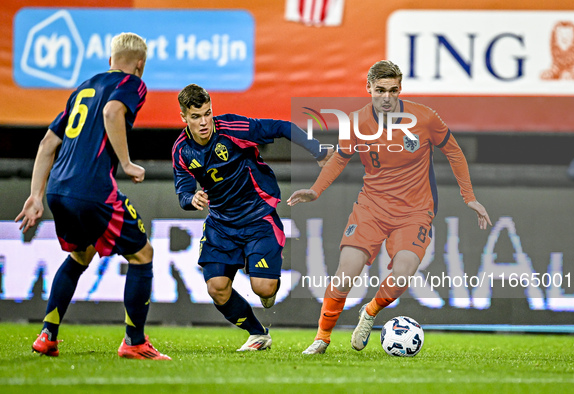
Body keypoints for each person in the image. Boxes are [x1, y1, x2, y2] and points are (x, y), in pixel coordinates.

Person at [287, 60, 492, 354]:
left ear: (400, 89)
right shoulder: (356, 122)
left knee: (403, 274)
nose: (386, 97)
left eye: (393, 90)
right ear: (368, 88)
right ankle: (322, 337)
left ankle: (370, 312)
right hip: (371, 208)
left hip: (415, 211)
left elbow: (454, 152)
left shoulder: (424, 118)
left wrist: (469, 196)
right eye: (380, 90)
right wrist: (316, 190)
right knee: (346, 272)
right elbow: (341, 157)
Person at [15, 32, 170, 360]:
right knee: (143, 255)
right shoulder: (132, 83)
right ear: (140, 65)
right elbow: (113, 112)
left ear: (109, 60)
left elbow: (46, 145)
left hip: (58, 189)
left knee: (79, 256)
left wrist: (35, 196)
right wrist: (126, 163)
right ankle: (134, 342)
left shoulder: (83, 89)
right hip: (92, 190)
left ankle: (47, 335)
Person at [172, 84, 332, 351]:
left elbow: (281, 127)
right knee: (216, 288)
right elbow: (183, 191)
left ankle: (267, 277)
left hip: (258, 217)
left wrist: (316, 150)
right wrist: (191, 199)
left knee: (264, 289)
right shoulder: (181, 150)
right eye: (196, 117)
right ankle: (258, 334)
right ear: (184, 118)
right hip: (221, 223)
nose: (204, 122)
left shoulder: (233, 129)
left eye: (207, 114)